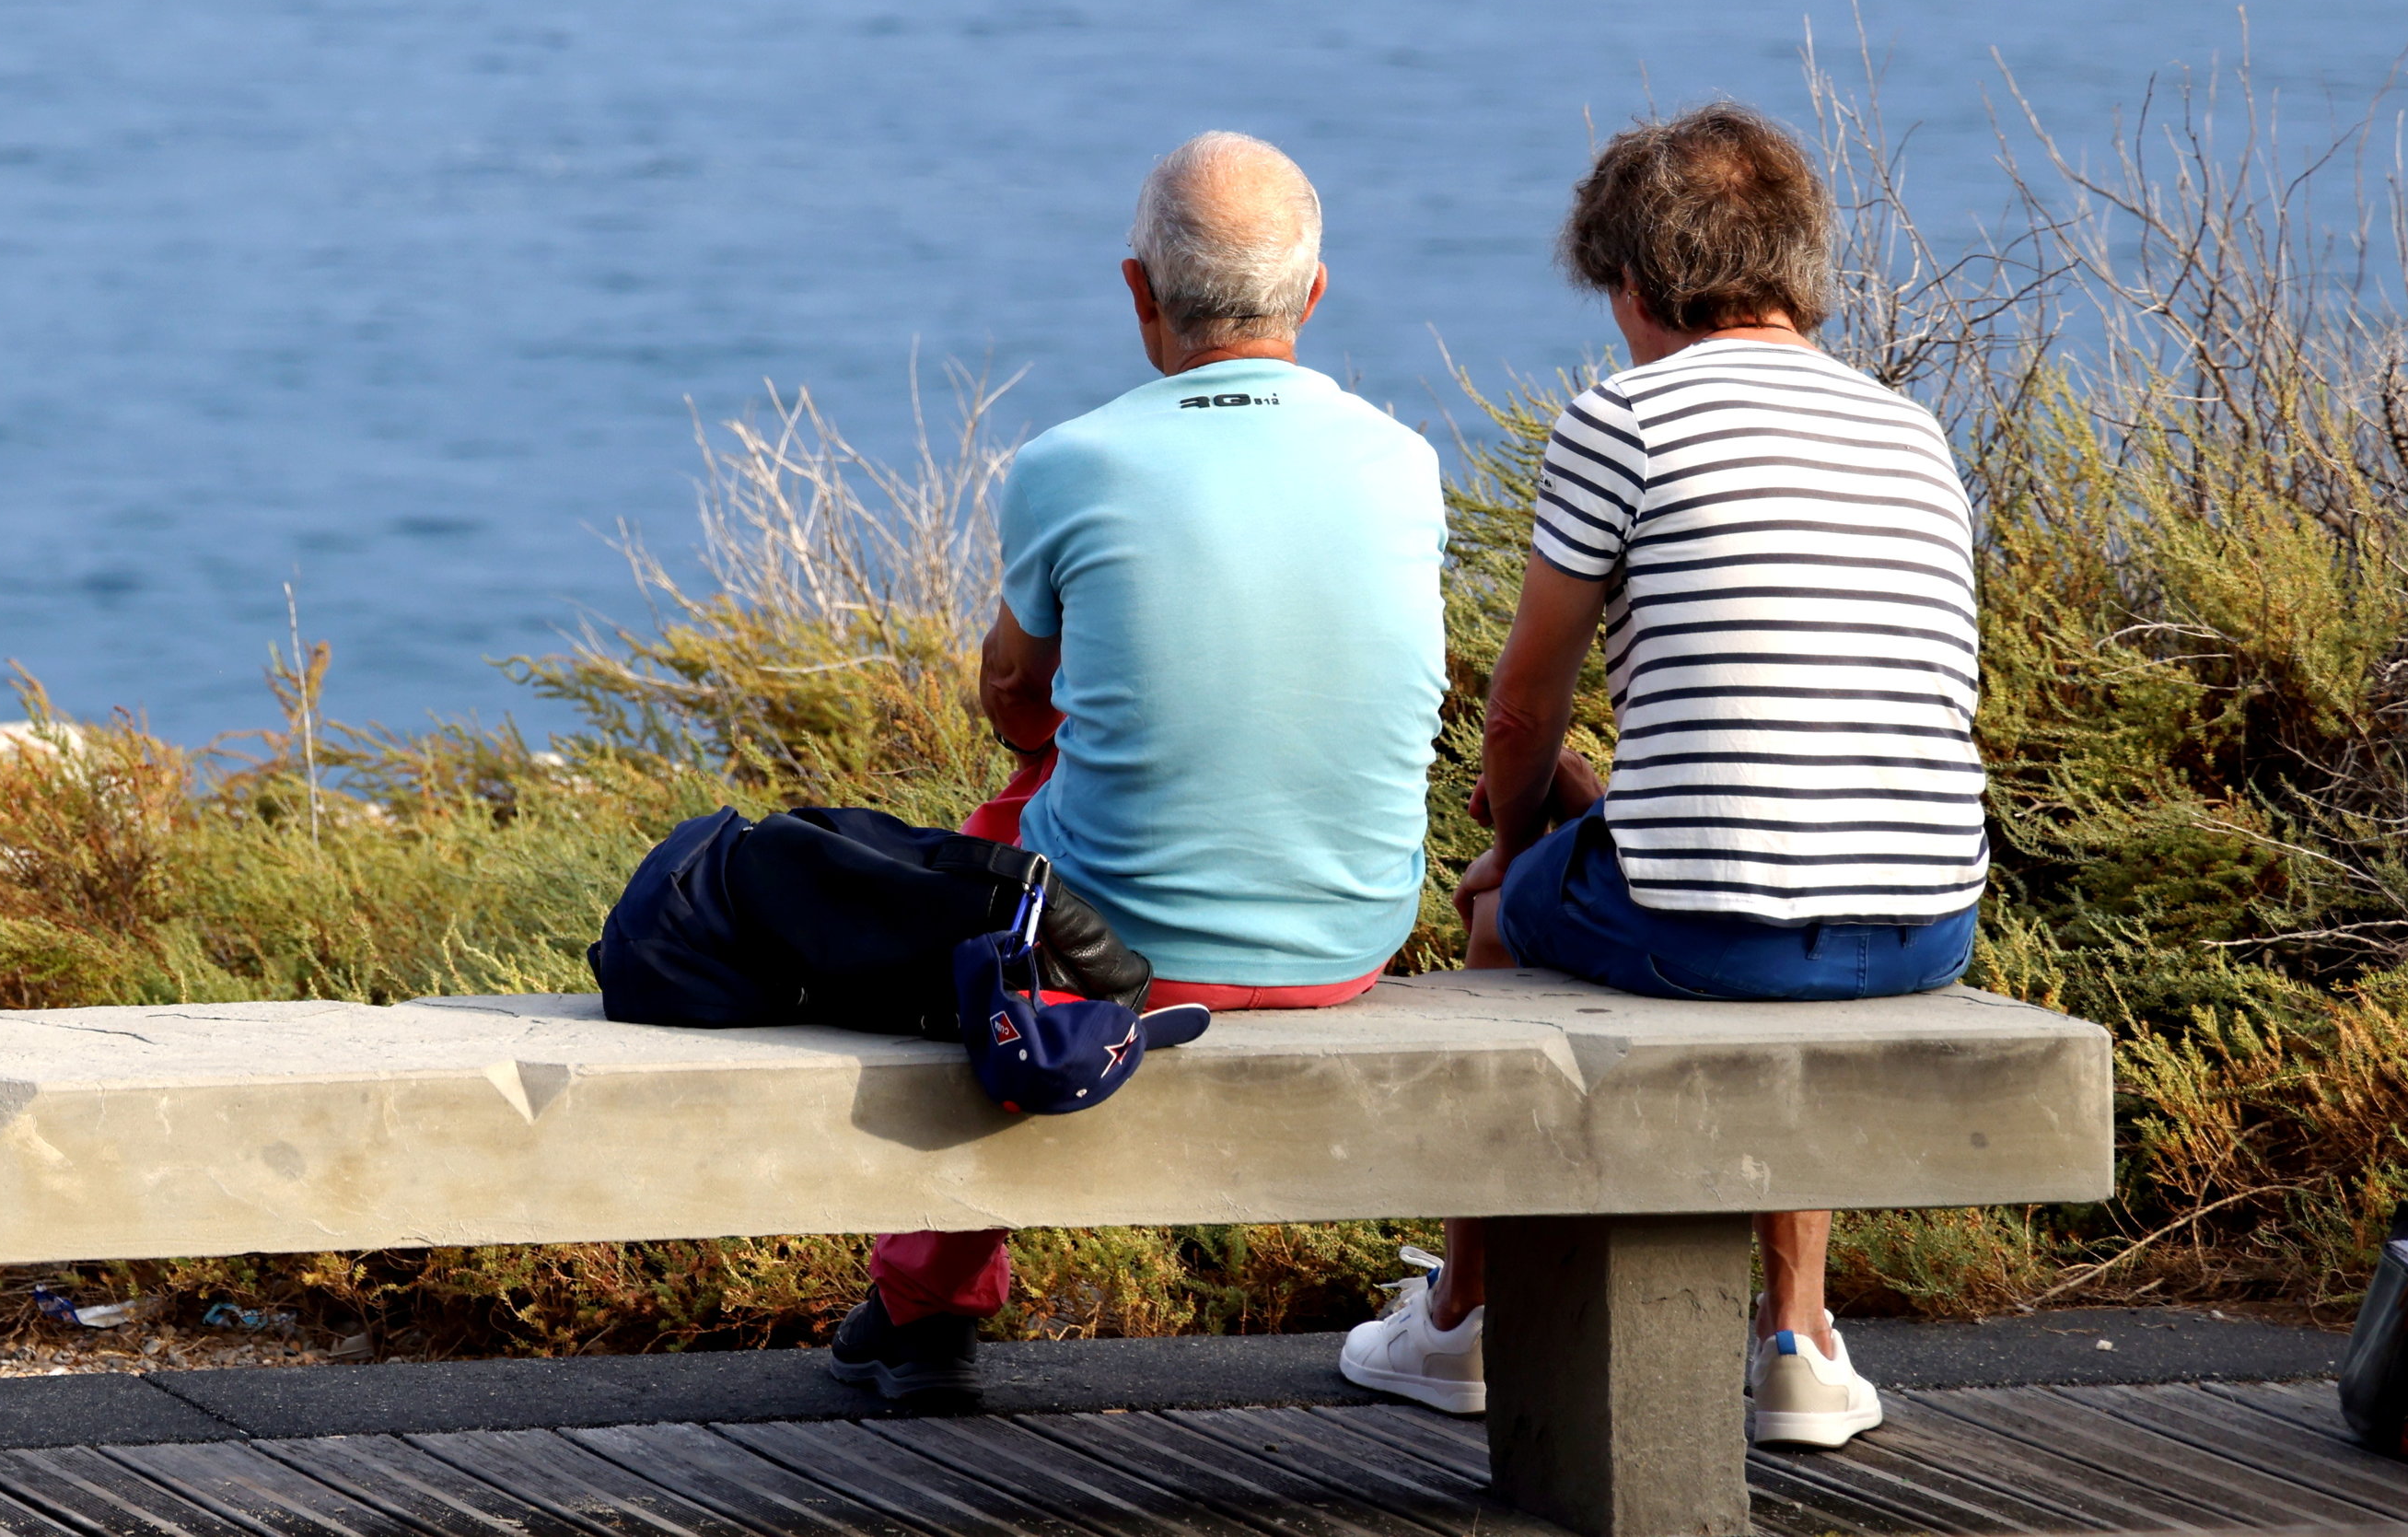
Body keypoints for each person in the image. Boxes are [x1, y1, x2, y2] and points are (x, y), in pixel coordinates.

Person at [1337, 103, 1985, 1452]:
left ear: (1635, 286)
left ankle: (1461, 1321)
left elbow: (1521, 710)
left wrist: (1518, 842)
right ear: (1796, 271)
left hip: (1712, 922)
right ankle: (1798, 1337)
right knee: (1721, 876)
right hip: (1926, 920)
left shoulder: (1625, 418)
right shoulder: (1911, 430)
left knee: (1502, 911)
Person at [828, 131, 1448, 1414]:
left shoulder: (1073, 463)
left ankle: (926, 1303)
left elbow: (1012, 698)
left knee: (991, 889)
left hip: (1132, 945)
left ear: (1136, 289)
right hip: (1351, 932)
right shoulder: (1404, 461)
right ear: (1313, 297)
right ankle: (916, 1303)